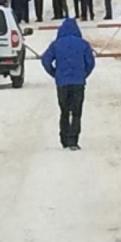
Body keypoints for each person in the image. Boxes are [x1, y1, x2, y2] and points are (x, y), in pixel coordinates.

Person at [41, 17, 95, 150]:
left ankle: (64, 139)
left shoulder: (56, 44)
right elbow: (91, 63)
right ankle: (73, 140)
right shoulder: (83, 44)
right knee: (76, 112)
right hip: (78, 83)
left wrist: (55, 73)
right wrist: (83, 74)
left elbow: (45, 60)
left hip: (62, 84)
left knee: (64, 111)